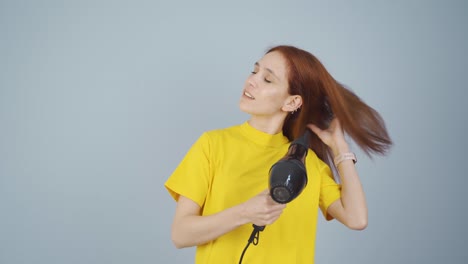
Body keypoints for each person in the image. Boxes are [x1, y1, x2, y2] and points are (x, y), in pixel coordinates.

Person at [165, 45, 392, 264]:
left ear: (292, 102)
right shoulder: (212, 145)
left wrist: (340, 149)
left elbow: (356, 219)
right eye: (254, 71)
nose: (251, 80)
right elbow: (180, 234)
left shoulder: (306, 163)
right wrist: (245, 213)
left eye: (267, 79)